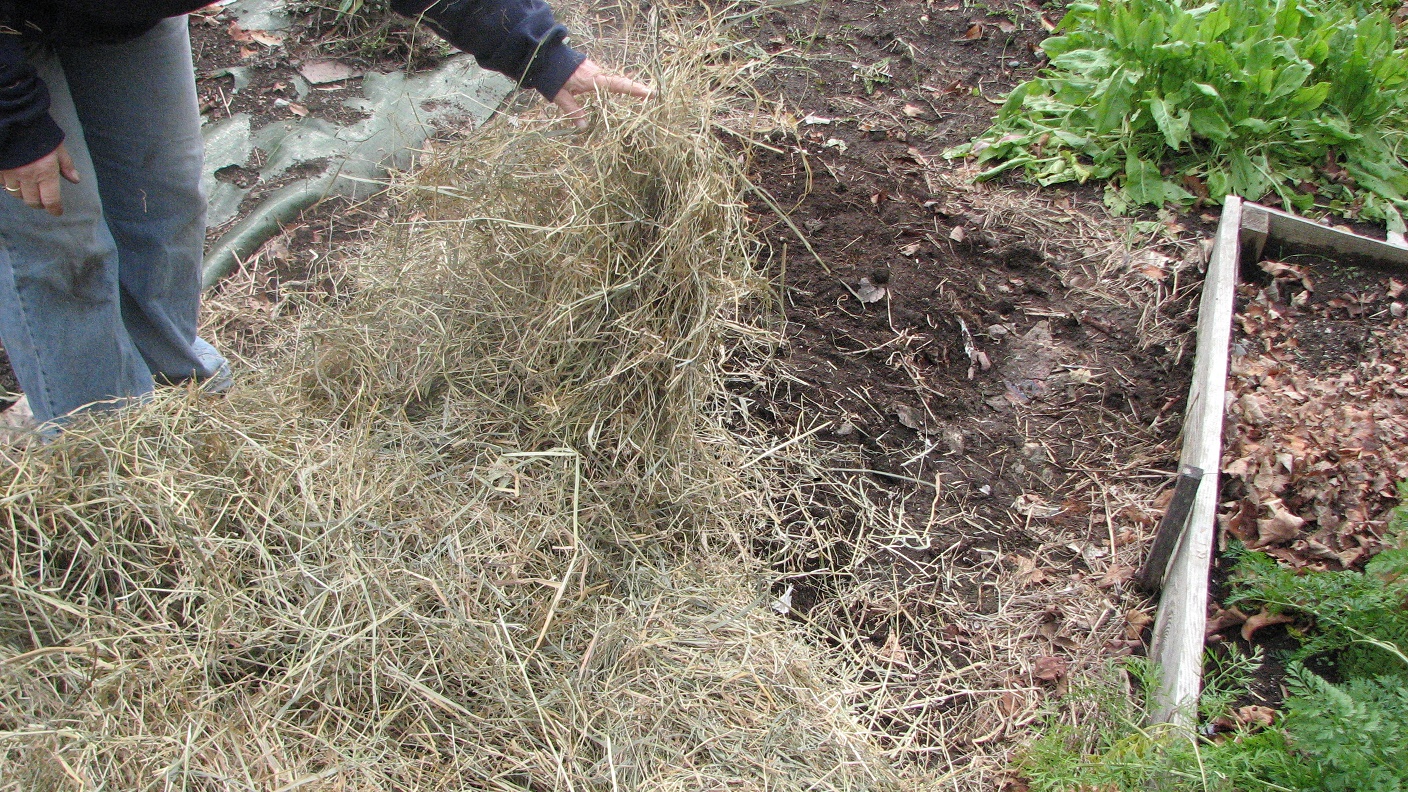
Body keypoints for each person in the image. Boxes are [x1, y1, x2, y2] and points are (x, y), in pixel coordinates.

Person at [0, 0, 650, 429]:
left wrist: (550, 57)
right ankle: (100, 444)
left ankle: (176, 397)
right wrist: (14, 124)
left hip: (120, 16)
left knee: (164, 197)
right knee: (62, 246)